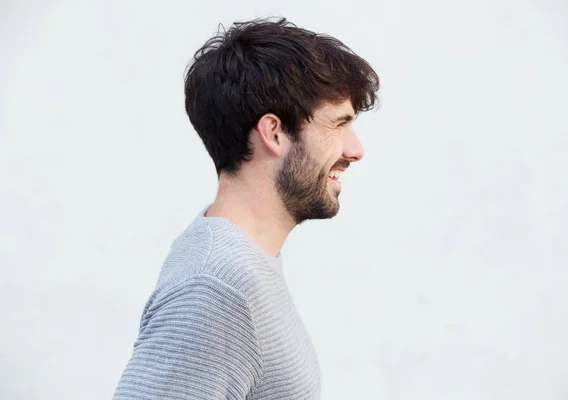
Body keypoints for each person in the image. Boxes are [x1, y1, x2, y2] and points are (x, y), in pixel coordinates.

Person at [113, 17, 379, 400]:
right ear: (274, 133)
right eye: (338, 124)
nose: (356, 150)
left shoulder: (239, 262)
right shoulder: (216, 288)